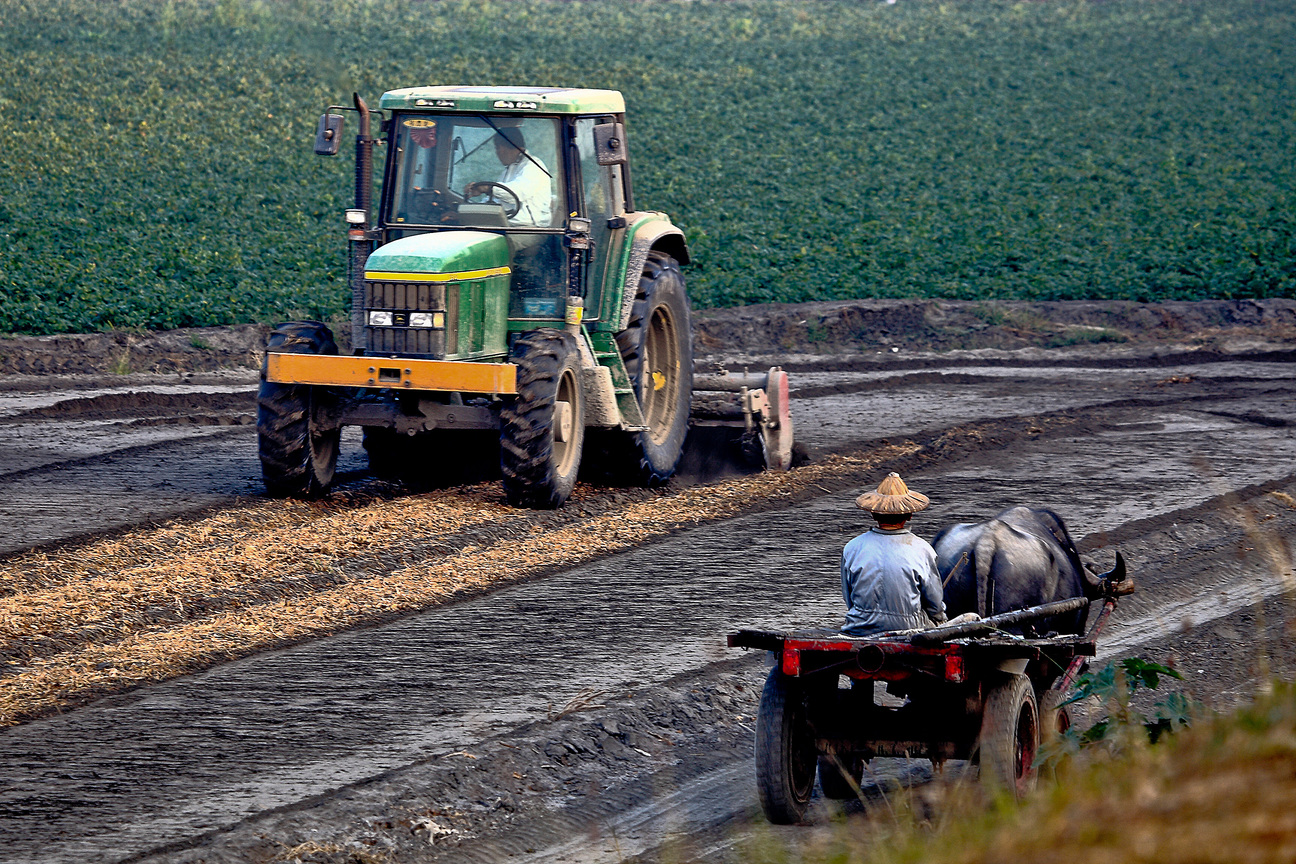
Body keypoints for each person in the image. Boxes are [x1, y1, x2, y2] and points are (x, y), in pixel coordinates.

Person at [841, 472, 947, 637]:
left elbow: (849, 600)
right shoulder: (923, 549)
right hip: (909, 628)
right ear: (910, 514)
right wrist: (940, 619)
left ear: (873, 513)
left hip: (859, 626)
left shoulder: (852, 547)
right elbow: (934, 606)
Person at [464, 129, 552, 228]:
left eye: (497, 148)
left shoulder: (533, 166)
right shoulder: (509, 170)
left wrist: (489, 188)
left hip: (529, 229)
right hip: (508, 225)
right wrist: (468, 212)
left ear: (509, 147)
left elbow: (516, 194)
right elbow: (498, 200)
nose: (497, 153)